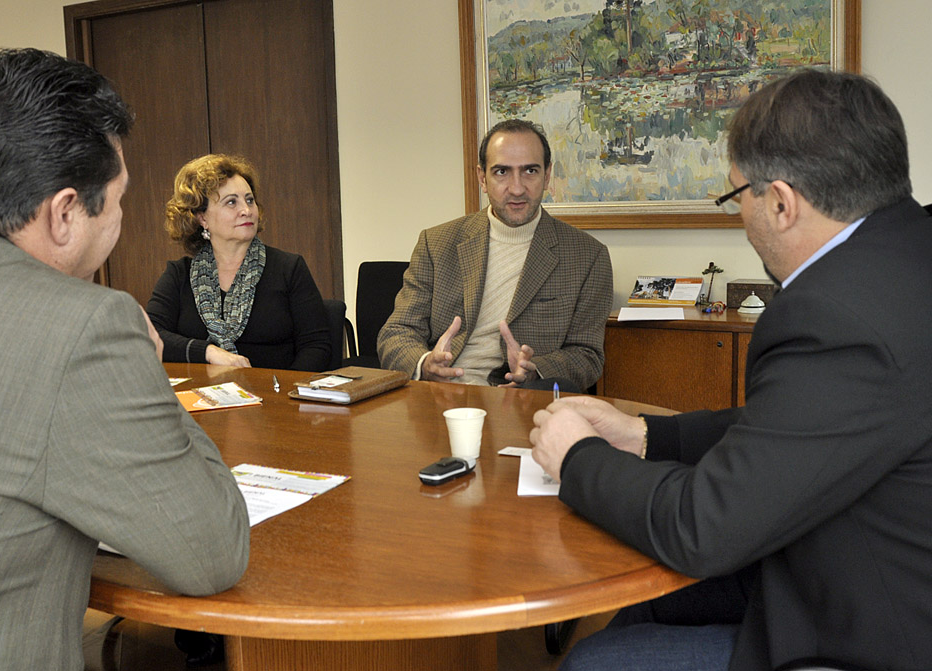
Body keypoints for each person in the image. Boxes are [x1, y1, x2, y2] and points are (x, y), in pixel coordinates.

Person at [531, 69, 932, 671]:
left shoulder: (836, 316)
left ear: (781, 202)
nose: (739, 216)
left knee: (596, 661)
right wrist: (645, 436)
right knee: (642, 612)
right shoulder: (903, 256)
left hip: (862, 623)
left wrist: (577, 457)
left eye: (735, 196)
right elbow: (793, 428)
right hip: (839, 549)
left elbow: (702, 528)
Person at [0, 49, 249, 670]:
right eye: (120, 199)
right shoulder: (80, 329)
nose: (125, 219)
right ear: (65, 213)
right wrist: (148, 370)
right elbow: (212, 551)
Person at [377, 119, 613, 392]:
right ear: (482, 178)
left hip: (525, 405)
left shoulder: (587, 256)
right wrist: (426, 363)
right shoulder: (437, 244)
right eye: (502, 171)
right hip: (440, 398)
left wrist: (535, 370)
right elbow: (396, 333)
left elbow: (588, 356)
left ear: (547, 176)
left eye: (530, 171)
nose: (516, 188)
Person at [147, 154, 330, 371]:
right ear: (202, 218)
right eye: (231, 202)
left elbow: (317, 346)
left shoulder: (288, 268)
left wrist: (284, 393)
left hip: (274, 396)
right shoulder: (179, 275)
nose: (247, 210)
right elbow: (150, 335)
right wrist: (209, 352)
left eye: (249, 200)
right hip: (202, 398)